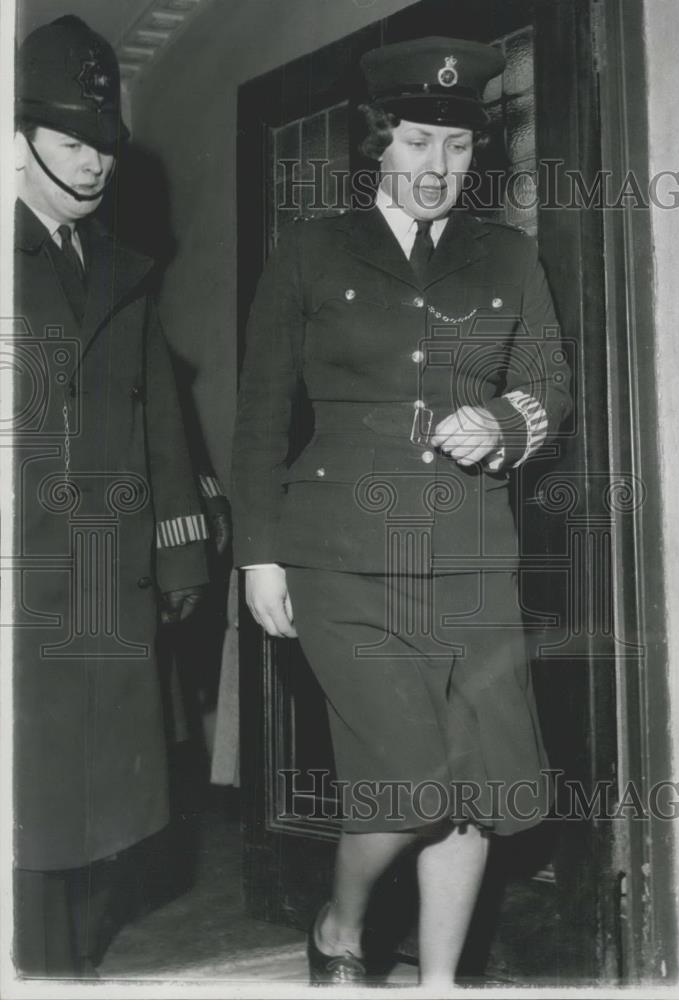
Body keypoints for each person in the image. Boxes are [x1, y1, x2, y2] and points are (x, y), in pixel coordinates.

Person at [232, 36, 572, 986]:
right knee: (410, 779)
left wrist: (504, 422)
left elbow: (549, 382)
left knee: (474, 789)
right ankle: (342, 926)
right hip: (339, 554)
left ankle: (436, 981)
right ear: (377, 142)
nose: (436, 169)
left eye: (457, 149)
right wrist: (258, 554)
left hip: (469, 551)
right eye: (418, 143)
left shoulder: (505, 253)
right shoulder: (307, 250)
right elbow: (260, 414)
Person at [12, 15, 209, 977]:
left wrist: (178, 554)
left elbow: (161, 422)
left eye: (102, 148)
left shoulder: (122, 272)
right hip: (28, 572)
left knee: (96, 815)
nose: (91, 167)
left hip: (108, 573)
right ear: (18, 140)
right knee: (32, 813)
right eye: (67, 143)